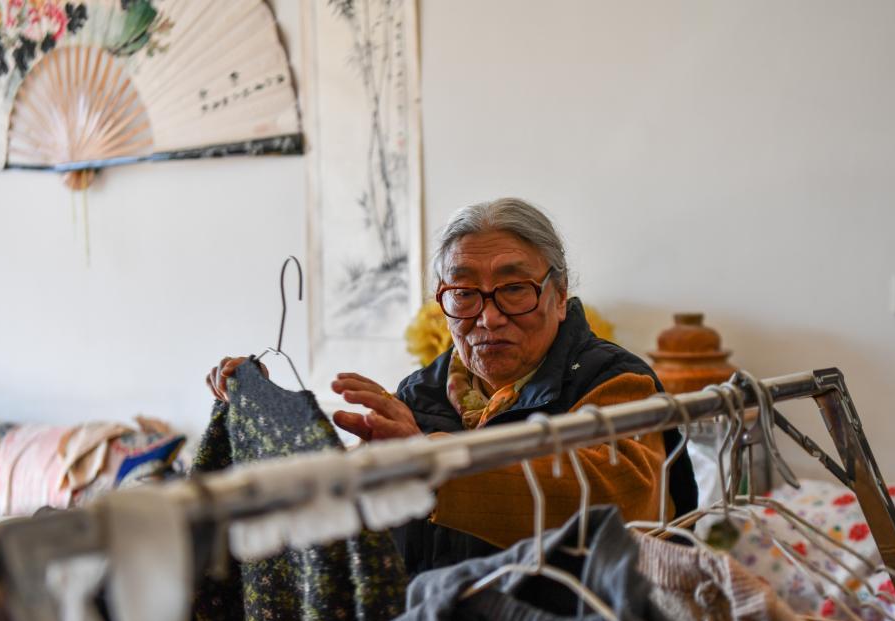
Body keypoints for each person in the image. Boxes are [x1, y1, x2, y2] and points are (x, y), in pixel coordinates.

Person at [208, 197, 696, 574]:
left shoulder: (615, 381)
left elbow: (622, 501)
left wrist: (431, 464)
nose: (489, 317)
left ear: (559, 293)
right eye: (463, 293)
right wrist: (265, 418)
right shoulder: (420, 393)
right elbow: (354, 515)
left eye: (514, 290)